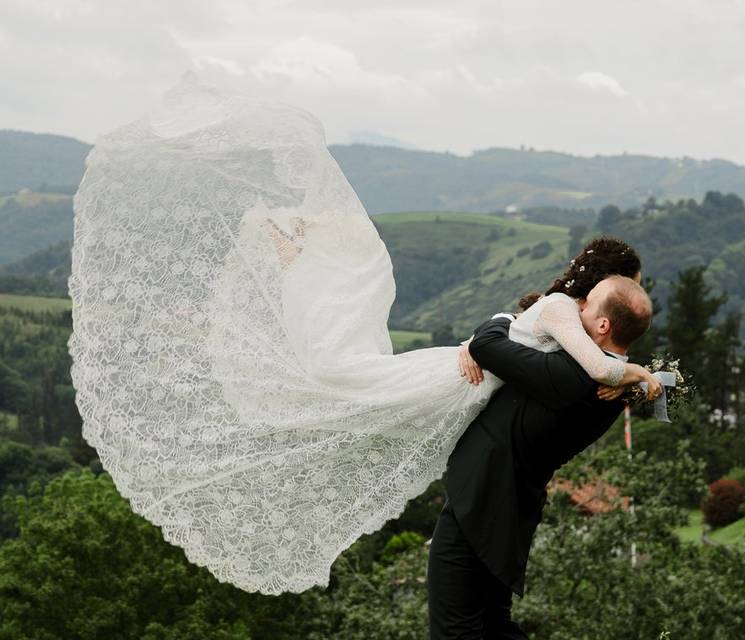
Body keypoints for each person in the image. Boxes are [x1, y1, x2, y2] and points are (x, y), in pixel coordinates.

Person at [67, 74, 660, 595]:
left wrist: (636, 376)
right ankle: (298, 261)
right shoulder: (563, 311)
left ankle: (301, 264)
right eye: (625, 288)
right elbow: (595, 366)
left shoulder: (560, 313)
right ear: (598, 293)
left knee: (366, 401)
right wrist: (638, 375)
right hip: (460, 379)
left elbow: (527, 342)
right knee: (345, 376)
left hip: (468, 385)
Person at [428, 275, 653, 639]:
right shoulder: (616, 384)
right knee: (492, 625)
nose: (577, 306)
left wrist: (509, 319)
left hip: (483, 503)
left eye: (587, 303)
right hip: (508, 509)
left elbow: (487, 343)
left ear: (603, 325)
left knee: (455, 629)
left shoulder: (573, 375)